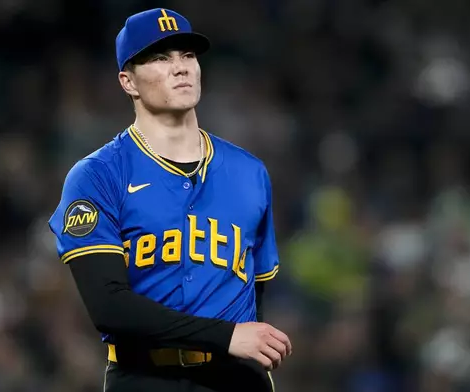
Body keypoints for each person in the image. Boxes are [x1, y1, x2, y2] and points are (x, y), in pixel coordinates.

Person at [48, 8, 292, 392]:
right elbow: (109, 307)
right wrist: (225, 336)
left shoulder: (250, 173)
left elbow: (254, 298)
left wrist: (239, 347)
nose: (181, 68)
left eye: (188, 55)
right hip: (144, 377)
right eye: (161, 57)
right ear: (128, 81)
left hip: (236, 380)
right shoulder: (97, 176)